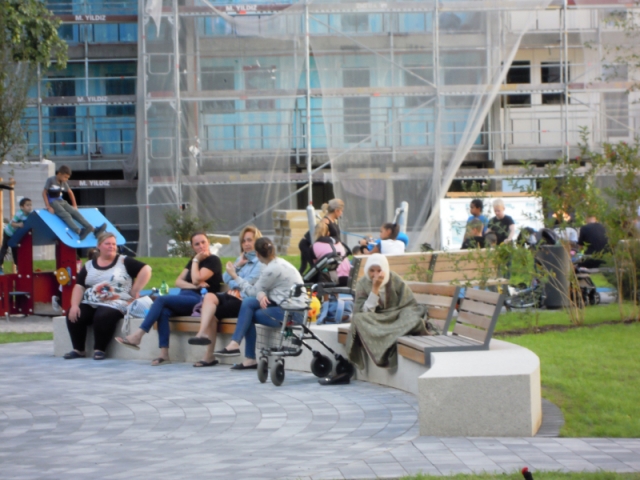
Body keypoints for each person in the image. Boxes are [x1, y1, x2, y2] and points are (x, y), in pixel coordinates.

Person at [116, 232, 223, 366]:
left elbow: (197, 278)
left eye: (203, 242)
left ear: (208, 243)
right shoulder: (192, 262)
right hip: (185, 297)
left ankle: (138, 335)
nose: (201, 246)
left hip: (200, 300)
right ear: (192, 247)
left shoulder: (213, 260)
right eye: (197, 244)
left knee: (161, 300)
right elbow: (178, 282)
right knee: (163, 311)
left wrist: (196, 261)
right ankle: (164, 354)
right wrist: (193, 283)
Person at [215, 237, 306, 370]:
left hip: (292, 313)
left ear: (257, 254)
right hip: (284, 305)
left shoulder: (271, 269)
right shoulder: (277, 263)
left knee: (248, 314)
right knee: (248, 303)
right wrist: (261, 294)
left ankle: (245, 353)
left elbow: (252, 291)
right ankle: (239, 348)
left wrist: (235, 276)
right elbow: (261, 289)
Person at [63, 232, 152, 360]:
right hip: (92, 301)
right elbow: (79, 286)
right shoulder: (89, 265)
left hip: (117, 302)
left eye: (114, 244)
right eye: (108, 244)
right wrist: (74, 305)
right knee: (75, 313)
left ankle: (99, 349)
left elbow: (146, 269)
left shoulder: (124, 261)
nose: (111, 246)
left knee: (103, 315)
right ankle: (78, 350)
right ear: (99, 246)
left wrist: (135, 290)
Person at [187, 226, 263, 367]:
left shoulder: (260, 263)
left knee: (211, 314)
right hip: (230, 296)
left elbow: (248, 283)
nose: (246, 244)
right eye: (243, 241)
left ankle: (209, 355)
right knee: (209, 297)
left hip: (243, 301)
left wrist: (234, 279)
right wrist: (238, 265)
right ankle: (201, 334)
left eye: (249, 240)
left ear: (257, 241)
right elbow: (226, 277)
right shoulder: (241, 259)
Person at [344, 254, 427, 371]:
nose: (375, 274)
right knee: (358, 319)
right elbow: (364, 312)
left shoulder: (394, 279)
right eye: (372, 270)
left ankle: (391, 335)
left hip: (396, 316)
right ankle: (393, 336)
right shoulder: (362, 283)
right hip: (377, 319)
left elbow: (409, 303)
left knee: (412, 317)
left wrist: (403, 312)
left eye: (379, 270)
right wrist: (375, 289)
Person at [43, 165, 106, 241]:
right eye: (65, 177)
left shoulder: (63, 182)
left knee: (75, 212)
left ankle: (94, 230)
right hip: (53, 202)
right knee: (66, 215)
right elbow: (44, 193)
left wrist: (74, 205)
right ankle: (79, 232)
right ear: (59, 174)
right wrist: (48, 206)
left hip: (61, 201)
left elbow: (70, 192)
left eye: (67, 178)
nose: (66, 179)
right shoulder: (51, 180)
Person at [0, 197, 33, 274]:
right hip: (8, 233)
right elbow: (12, 223)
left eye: (30, 205)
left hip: (15, 235)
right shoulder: (19, 214)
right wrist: (18, 224)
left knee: (15, 250)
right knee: (4, 249)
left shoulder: (29, 215)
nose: (29, 207)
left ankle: (18, 267)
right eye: (27, 205)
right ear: (22, 207)